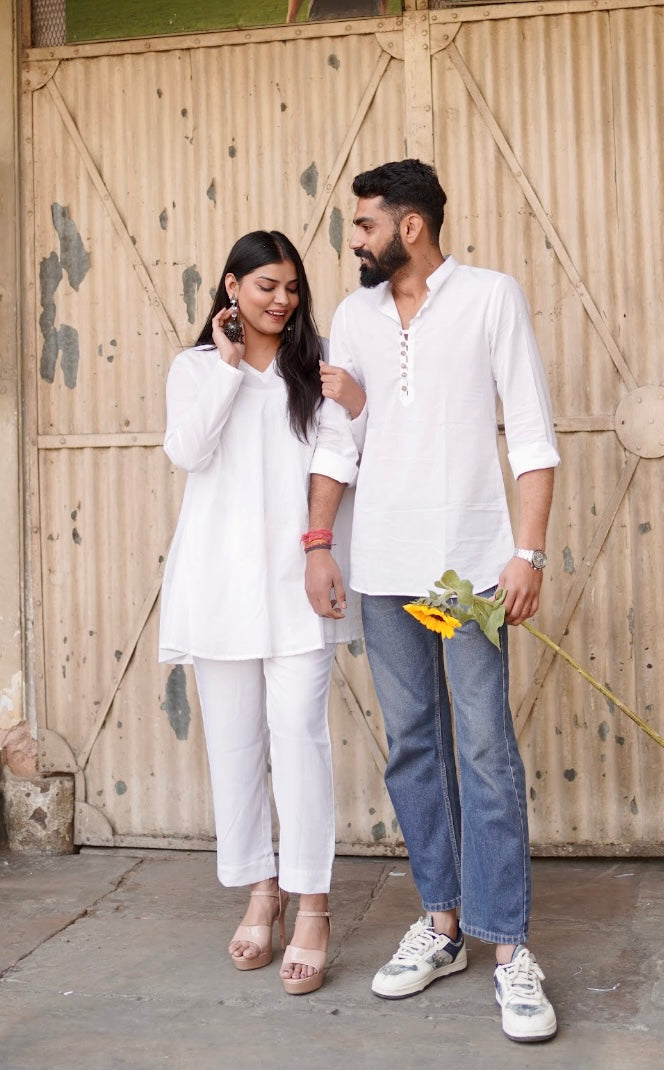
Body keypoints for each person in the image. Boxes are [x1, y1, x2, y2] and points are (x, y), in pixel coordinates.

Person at [304, 160, 560, 1041]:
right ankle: (442, 923)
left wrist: (525, 553)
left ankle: (508, 944)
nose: (354, 240)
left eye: (364, 224)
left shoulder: (490, 297)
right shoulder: (353, 317)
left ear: (409, 226)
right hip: (385, 569)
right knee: (414, 747)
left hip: (464, 572)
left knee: (483, 748)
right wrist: (317, 543)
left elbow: (531, 433)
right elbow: (339, 441)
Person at [158, 230, 365, 995]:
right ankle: (260, 890)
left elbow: (347, 454)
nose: (281, 300)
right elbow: (188, 453)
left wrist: (319, 548)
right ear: (231, 288)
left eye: (291, 288)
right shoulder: (193, 368)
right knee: (235, 747)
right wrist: (226, 367)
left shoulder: (317, 367)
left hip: (297, 582)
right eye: (266, 286)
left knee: (300, 740)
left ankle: (312, 906)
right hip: (218, 584)